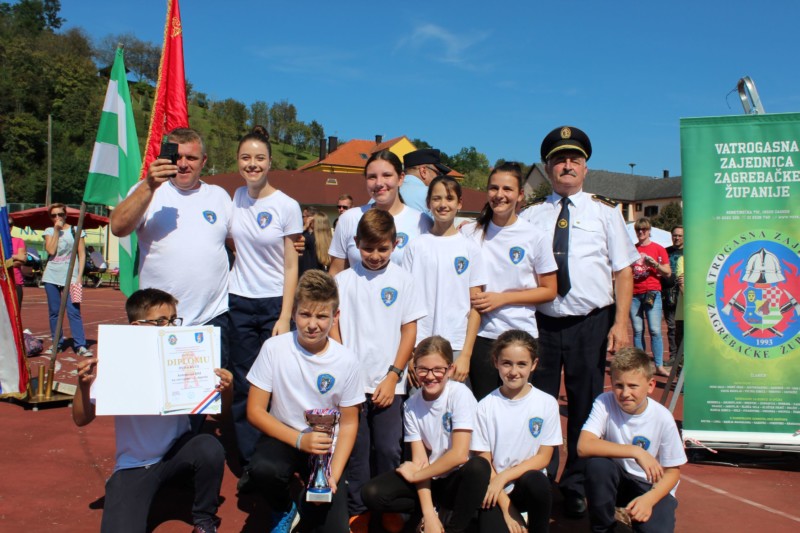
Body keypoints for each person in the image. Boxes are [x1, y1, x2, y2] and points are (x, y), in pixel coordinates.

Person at [520, 126, 639, 518]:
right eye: (559, 160)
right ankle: (539, 476)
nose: (567, 165)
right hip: (542, 323)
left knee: (585, 404)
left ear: (586, 168)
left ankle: (575, 483)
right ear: (548, 167)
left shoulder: (606, 213)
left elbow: (623, 272)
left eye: (574, 159)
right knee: (538, 402)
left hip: (590, 322)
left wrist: (620, 323)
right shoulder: (531, 215)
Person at [72, 288, 232, 533]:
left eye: (174, 320)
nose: (170, 327)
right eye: (161, 322)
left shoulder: (185, 358)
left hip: (178, 453)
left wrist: (227, 390)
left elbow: (220, 414)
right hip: (135, 465)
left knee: (209, 446)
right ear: (137, 327)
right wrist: (83, 386)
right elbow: (81, 419)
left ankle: (204, 518)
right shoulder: (116, 363)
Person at [246, 270, 364, 533]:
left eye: (321, 316)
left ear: (335, 317)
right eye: (305, 314)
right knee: (263, 469)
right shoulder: (274, 348)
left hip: (325, 447)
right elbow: (254, 411)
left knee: (333, 529)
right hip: (285, 436)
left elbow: (348, 424)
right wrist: (300, 440)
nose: (312, 324)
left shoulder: (347, 360)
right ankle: (283, 507)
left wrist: (332, 475)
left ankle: (309, 497)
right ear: (293, 313)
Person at [331, 209, 426, 529]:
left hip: (389, 384)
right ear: (356, 243)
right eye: (367, 248)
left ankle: (387, 505)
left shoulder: (404, 280)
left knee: (387, 447)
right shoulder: (343, 281)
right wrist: (346, 372)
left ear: (395, 244)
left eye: (382, 248)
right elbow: (335, 327)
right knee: (357, 448)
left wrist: (394, 374)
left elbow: (409, 331)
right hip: (352, 385)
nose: (374, 255)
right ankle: (359, 508)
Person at [110, 127, 232, 366]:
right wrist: (149, 185)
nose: (183, 164)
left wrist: (293, 243)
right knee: (156, 386)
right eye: (178, 157)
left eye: (191, 158)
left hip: (211, 318)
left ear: (203, 161)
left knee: (213, 388)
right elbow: (118, 227)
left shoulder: (219, 196)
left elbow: (239, 243)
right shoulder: (148, 190)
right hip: (158, 320)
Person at [228, 126, 303, 465]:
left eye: (259, 158)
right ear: (238, 161)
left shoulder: (287, 205)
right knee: (244, 384)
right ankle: (250, 462)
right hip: (239, 301)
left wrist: (285, 316)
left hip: (274, 304)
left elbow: (291, 265)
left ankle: (279, 456)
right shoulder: (235, 198)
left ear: (270, 162)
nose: (252, 164)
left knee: (278, 383)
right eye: (246, 157)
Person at [361, 336, 490, 533]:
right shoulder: (411, 406)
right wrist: (429, 514)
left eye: (438, 369)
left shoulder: (460, 394)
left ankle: (453, 528)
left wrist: (416, 475)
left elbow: (459, 455)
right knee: (372, 493)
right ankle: (429, 516)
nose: (430, 376)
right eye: (423, 369)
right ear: (414, 369)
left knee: (478, 467)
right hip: (432, 478)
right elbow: (420, 461)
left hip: (459, 481)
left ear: (450, 369)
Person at [461, 162, 557, 400]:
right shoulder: (469, 233)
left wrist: (502, 299)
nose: (499, 195)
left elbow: (549, 290)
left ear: (520, 195)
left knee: (517, 408)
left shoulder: (535, 236)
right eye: (494, 188)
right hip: (482, 336)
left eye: (507, 189)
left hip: (521, 336)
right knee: (483, 406)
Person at [578, 347, 687, 532]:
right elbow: (584, 446)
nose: (625, 393)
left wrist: (649, 499)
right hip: (618, 481)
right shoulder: (605, 402)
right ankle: (603, 529)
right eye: (619, 385)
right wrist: (636, 451)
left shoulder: (663, 418)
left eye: (633, 386)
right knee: (597, 466)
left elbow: (673, 472)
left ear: (650, 386)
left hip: (651, 487)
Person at [473, 330, 562, 533]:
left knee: (538, 482)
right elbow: (484, 459)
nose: (514, 371)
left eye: (522, 364)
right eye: (507, 363)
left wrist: (504, 477)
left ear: (534, 364)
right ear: (496, 362)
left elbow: (544, 457)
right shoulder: (485, 406)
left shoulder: (546, 403)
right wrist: (508, 509)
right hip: (495, 489)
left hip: (525, 484)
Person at [402, 175, 486, 383]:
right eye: (436, 198)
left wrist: (466, 355)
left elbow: (476, 306)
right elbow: (405, 303)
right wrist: (409, 352)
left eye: (449, 198)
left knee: (454, 401)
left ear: (459, 203)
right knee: (421, 400)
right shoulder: (416, 246)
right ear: (428, 203)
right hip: (420, 344)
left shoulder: (470, 249)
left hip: (456, 344)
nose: (443, 204)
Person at [328, 150, 431, 275]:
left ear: (400, 178)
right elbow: (335, 273)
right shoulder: (349, 219)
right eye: (372, 177)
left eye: (387, 175)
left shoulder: (422, 221)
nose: (379, 183)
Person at [42, 202, 91, 356]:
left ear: (66, 215)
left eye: (60, 214)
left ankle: (80, 345)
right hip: (51, 275)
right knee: (54, 312)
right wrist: (56, 230)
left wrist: (79, 276)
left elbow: (82, 254)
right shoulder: (49, 231)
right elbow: (51, 250)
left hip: (71, 276)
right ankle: (57, 343)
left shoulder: (76, 230)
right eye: (53, 215)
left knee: (73, 311)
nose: (57, 217)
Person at [631, 218, 671, 376]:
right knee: (637, 330)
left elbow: (668, 272)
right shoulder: (631, 249)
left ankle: (659, 365)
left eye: (644, 229)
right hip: (634, 294)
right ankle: (641, 365)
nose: (641, 232)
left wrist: (655, 264)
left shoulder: (659, 249)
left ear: (649, 231)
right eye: (638, 230)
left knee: (654, 330)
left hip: (652, 292)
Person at [399, 148, 452, 215]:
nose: (439, 178)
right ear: (423, 171)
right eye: (438, 174)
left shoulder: (392, 190)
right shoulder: (430, 193)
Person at [661, 226, 684, 361]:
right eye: (675, 235)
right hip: (668, 293)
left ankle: (683, 356)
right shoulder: (666, 251)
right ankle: (673, 356)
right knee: (671, 326)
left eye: (680, 235)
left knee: (683, 326)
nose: (677, 238)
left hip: (683, 293)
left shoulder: (690, 252)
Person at [8, 217, 26, 306]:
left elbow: (22, 259)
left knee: (16, 310)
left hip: (15, 281)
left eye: (10, 225)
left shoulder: (18, 240)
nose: (8, 227)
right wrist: (15, 260)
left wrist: (9, 258)